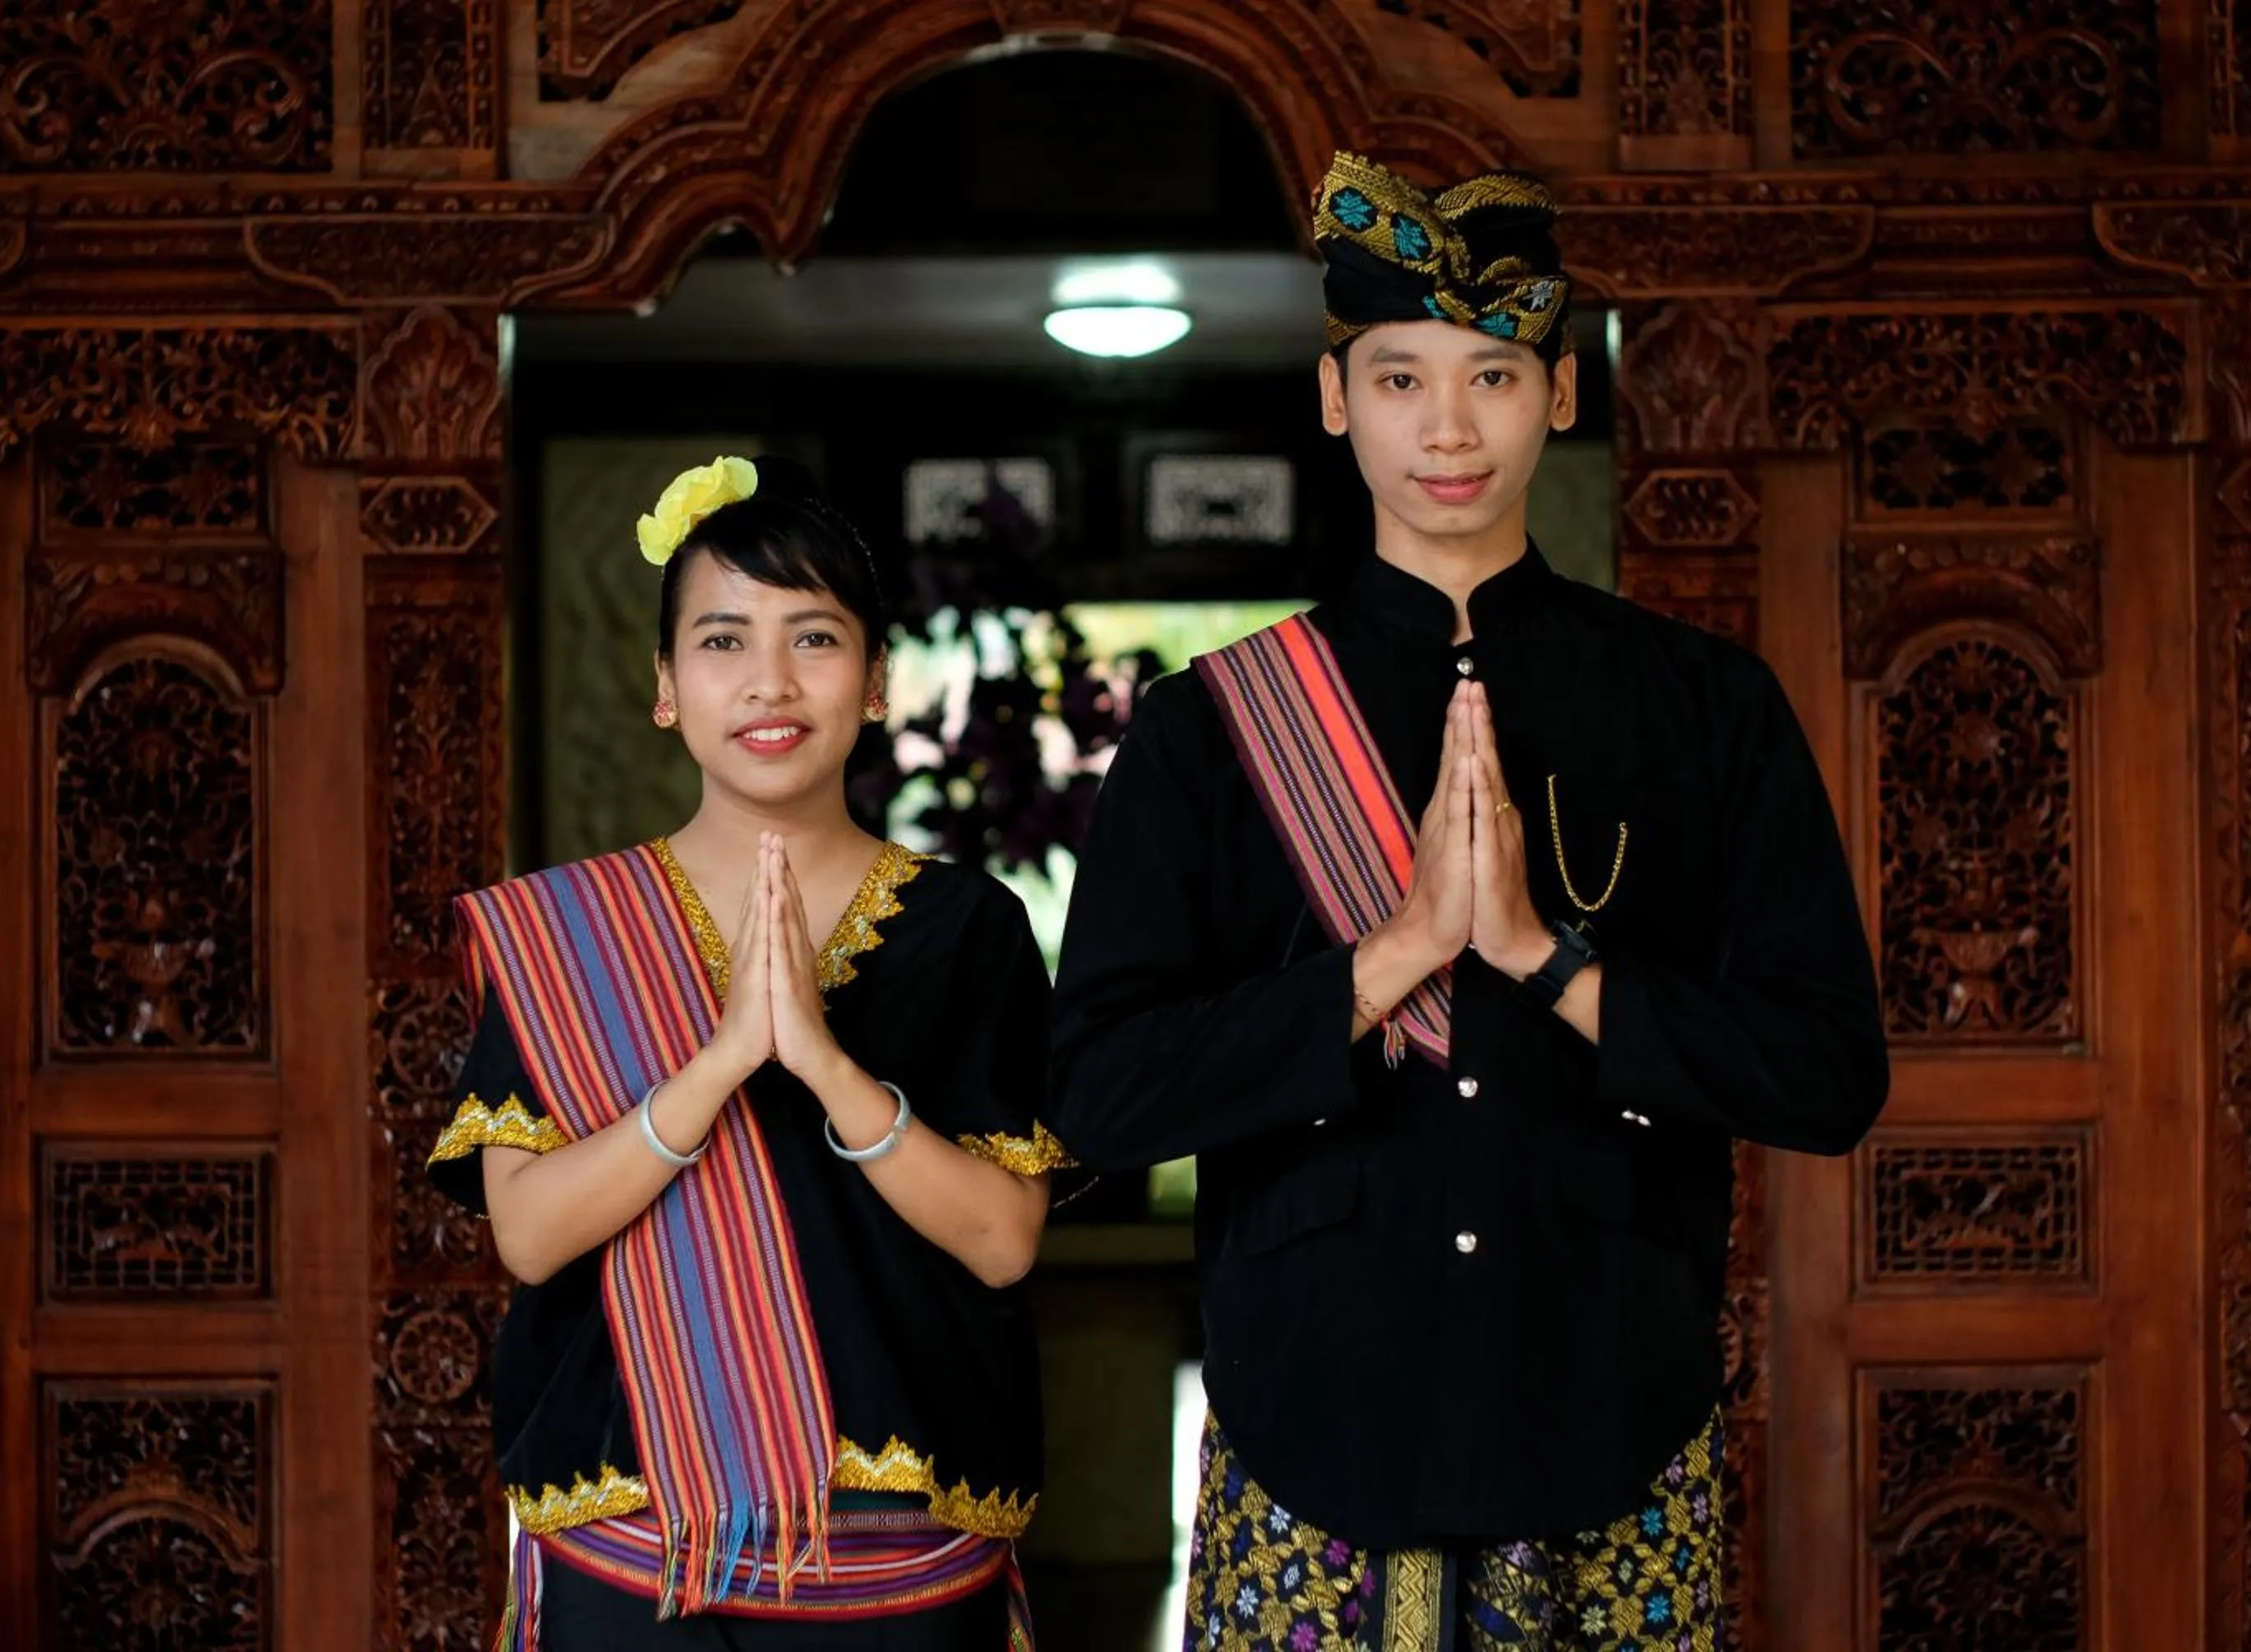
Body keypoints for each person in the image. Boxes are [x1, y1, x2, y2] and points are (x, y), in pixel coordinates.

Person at [1047, 154, 1891, 1652]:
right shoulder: (1212, 727)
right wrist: (1391, 965)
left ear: (1559, 394)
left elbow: (1827, 1076)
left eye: (1492, 376)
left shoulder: (1699, 708)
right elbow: (1099, 1101)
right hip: (1314, 1428)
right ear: (1334, 396)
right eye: (1400, 378)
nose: (1447, 428)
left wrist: (1545, 964)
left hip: (1610, 1416)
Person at [429, 454, 1071, 1650]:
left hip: (896, 1560)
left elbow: (1002, 1239)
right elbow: (528, 1234)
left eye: (815, 639)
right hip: (636, 1556)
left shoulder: (965, 928)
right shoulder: (566, 934)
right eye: (723, 642)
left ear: (878, 681)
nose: (769, 681)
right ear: (665, 684)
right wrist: (718, 1065)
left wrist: (826, 1066)